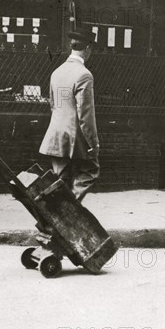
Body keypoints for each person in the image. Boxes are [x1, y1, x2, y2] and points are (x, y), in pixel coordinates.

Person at [39, 27, 99, 202]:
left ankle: (56, 216)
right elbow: (86, 114)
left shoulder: (57, 72)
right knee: (90, 170)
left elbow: (53, 103)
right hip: (75, 138)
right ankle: (71, 210)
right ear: (88, 48)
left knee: (60, 180)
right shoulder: (84, 75)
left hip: (55, 135)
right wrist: (93, 144)